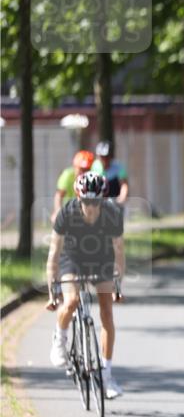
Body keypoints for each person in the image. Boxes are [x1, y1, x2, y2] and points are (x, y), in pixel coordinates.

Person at [46, 172, 125, 399]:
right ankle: (59, 339)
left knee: (107, 311)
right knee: (70, 301)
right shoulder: (67, 213)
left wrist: (118, 285)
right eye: (86, 202)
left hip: (101, 258)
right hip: (72, 258)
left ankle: (106, 376)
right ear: (78, 198)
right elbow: (53, 255)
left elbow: (119, 252)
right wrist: (53, 293)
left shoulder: (111, 214)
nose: (90, 207)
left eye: (95, 202)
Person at [51, 150, 96, 221]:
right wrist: (58, 211)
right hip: (67, 210)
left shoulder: (93, 179)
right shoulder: (67, 176)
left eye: (87, 169)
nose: (84, 172)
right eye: (81, 169)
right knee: (55, 217)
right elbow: (59, 196)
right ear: (75, 166)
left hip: (85, 210)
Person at [91, 140, 130, 205]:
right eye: (102, 157)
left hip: (115, 201)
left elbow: (124, 185)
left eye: (107, 157)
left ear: (111, 156)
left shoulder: (118, 167)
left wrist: (122, 198)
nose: (104, 160)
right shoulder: (94, 166)